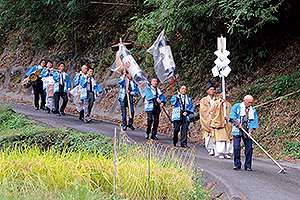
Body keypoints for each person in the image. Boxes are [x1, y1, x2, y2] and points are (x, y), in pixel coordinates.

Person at [229, 95, 259, 171]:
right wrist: (238, 124)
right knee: (236, 147)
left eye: (251, 102)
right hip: (238, 128)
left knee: (249, 148)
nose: (250, 104)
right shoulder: (236, 106)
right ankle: (237, 164)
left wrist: (250, 131)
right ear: (244, 101)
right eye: (249, 102)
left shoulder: (253, 110)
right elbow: (232, 117)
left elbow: (253, 121)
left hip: (247, 128)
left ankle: (248, 165)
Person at [210, 86, 233, 158]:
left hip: (227, 123)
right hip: (219, 123)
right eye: (222, 94)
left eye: (225, 94)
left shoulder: (228, 104)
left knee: (228, 138)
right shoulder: (216, 103)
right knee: (221, 138)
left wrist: (228, 118)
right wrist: (220, 105)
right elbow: (213, 112)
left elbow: (231, 113)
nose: (224, 95)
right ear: (219, 94)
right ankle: (220, 153)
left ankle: (226, 153)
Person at [200, 79, 216, 156]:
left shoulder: (217, 100)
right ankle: (210, 149)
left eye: (213, 89)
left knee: (216, 135)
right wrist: (210, 111)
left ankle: (215, 149)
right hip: (208, 119)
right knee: (208, 135)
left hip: (215, 119)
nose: (212, 91)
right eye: (211, 89)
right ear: (207, 91)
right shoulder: (204, 100)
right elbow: (203, 111)